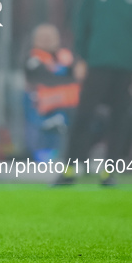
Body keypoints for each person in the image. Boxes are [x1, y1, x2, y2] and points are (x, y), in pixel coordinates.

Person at [56, 0, 132, 185]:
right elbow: (82, 28)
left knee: (120, 120)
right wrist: (81, 59)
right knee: (84, 116)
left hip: (126, 67)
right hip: (96, 65)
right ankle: (69, 169)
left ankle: (109, 172)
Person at [24, 24, 80, 161]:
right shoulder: (33, 59)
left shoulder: (66, 56)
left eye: (50, 37)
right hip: (46, 106)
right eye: (43, 37)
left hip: (73, 105)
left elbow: (78, 73)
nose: (47, 40)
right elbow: (42, 78)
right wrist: (66, 78)